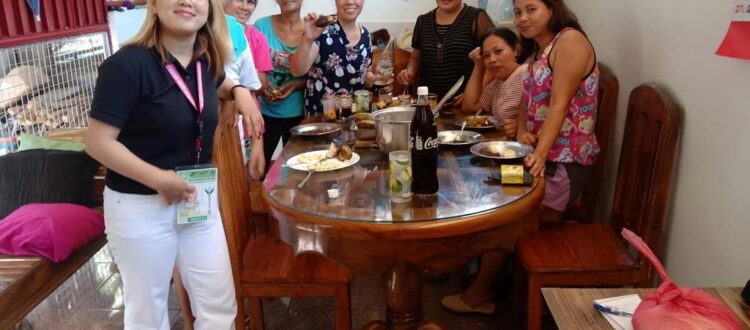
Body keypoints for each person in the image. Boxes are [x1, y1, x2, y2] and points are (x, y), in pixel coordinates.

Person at [85, 0, 263, 328]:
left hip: (197, 201)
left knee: (219, 304)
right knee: (148, 313)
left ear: (209, 9)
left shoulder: (205, 60)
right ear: (154, 7)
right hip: (140, 206)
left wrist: (239, 90)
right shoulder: (127, 65)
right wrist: (159, 179)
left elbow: (221, 82)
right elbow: (97, 142)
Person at [441, 0, 600, 314]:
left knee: (504, 215)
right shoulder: (539, 51)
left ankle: (480, 294)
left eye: (532, 9)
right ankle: (473, 273)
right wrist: (524, 133)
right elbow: (529, 104)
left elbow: (560, 104)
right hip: (538, 154)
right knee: (485, 187)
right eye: (517, 12)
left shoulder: (570, 41)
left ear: (552, 9)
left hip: (564, 162)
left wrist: (539, 154)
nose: (523, 18)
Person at [397, 0, 494, 107]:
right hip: (428, 105)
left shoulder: (477, 17)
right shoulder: (422, 21)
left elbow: (493, 60)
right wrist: (409, 72)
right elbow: (416, 58)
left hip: (463, 106)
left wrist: (474, 92)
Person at [291, 0, 378, 115]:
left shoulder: (365, 35)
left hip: (355, 117)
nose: (350, 2)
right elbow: (297, 70)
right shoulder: (322, 29)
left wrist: (373, 79)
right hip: (322, 117)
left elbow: (365, 74)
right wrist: (308, 39)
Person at [255, 0, 307, 168]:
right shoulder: (261, 27)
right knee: (258, 169)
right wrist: (262, 88)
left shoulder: (311, 30)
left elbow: (319, 76)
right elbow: (247, 66)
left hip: (300, 115)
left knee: (296, 171)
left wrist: (296, 86)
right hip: (264, 114)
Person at [461, 27, 526, 139]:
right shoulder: (497, 82)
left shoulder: (527, 73)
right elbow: (469, 107)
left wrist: (519, 126)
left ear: (516, 50)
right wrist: (479, 65)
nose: (492, 60)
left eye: (498, 51)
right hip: (501, 143)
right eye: (486, 55)